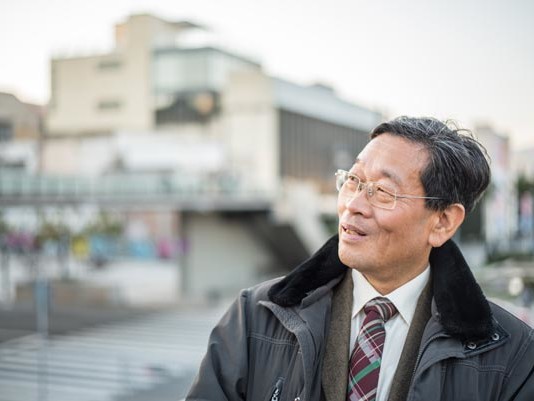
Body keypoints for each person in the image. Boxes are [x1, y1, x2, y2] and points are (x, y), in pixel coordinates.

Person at [186, 116, 534, 401]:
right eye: (353, 180)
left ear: (442, 221)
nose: (353, 204)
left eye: (382, 191)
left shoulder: (513, 355)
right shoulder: (255, 317)